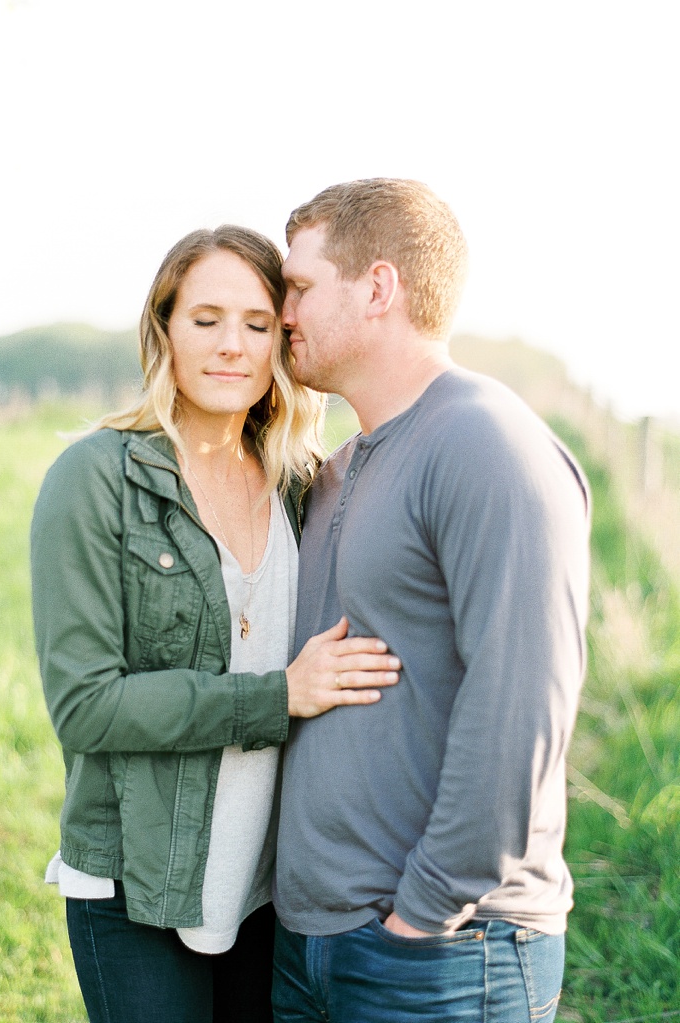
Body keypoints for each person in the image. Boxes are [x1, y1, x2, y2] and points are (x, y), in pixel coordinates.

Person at [30, 225, 401, 1023]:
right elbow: (86, 704)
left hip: (268, 884)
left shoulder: (302, 484)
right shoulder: (94, 479)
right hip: (138, 881)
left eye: (258, 323)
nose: (232, 345)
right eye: (205, 319)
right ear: (163, 327)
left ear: (281, 341)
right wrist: (275, 697)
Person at [272, 179, 591, 1023]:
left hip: (443, 950)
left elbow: (521, 702)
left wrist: (421, 916)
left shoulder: (487, 443)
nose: (282, 311)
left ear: (378, 287)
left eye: (299, 286)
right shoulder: (339, 467)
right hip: (316, 944)